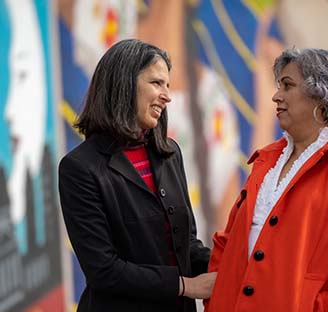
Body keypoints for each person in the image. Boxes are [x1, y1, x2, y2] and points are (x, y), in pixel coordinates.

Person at [205, 48, 328, 311]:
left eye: (288, 86)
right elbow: (228, 241)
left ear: (321, 95)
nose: (276, 96)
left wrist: (324, 307)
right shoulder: (266, 161)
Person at [58, 39, 216, 312]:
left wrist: (231, 264)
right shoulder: (78, 168)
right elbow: (104, 270)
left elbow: (185, 243)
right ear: (123, 84)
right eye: (156, 83)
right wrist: (185, 286)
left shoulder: (169, 153)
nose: (167, 96)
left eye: (167, 85)